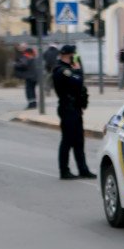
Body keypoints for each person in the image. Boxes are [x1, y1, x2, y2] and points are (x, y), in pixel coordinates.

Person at [52, 45, 96, 180]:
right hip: (67, 108)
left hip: (75, 108)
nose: (75, 58)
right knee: (67, 140)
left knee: (79, 141)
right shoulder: (61, 70)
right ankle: (64, 171)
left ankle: (83, 169)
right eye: (73, 55)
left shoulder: (70, 69)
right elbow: (77, 82)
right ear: (67, 55)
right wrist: (79, 71)